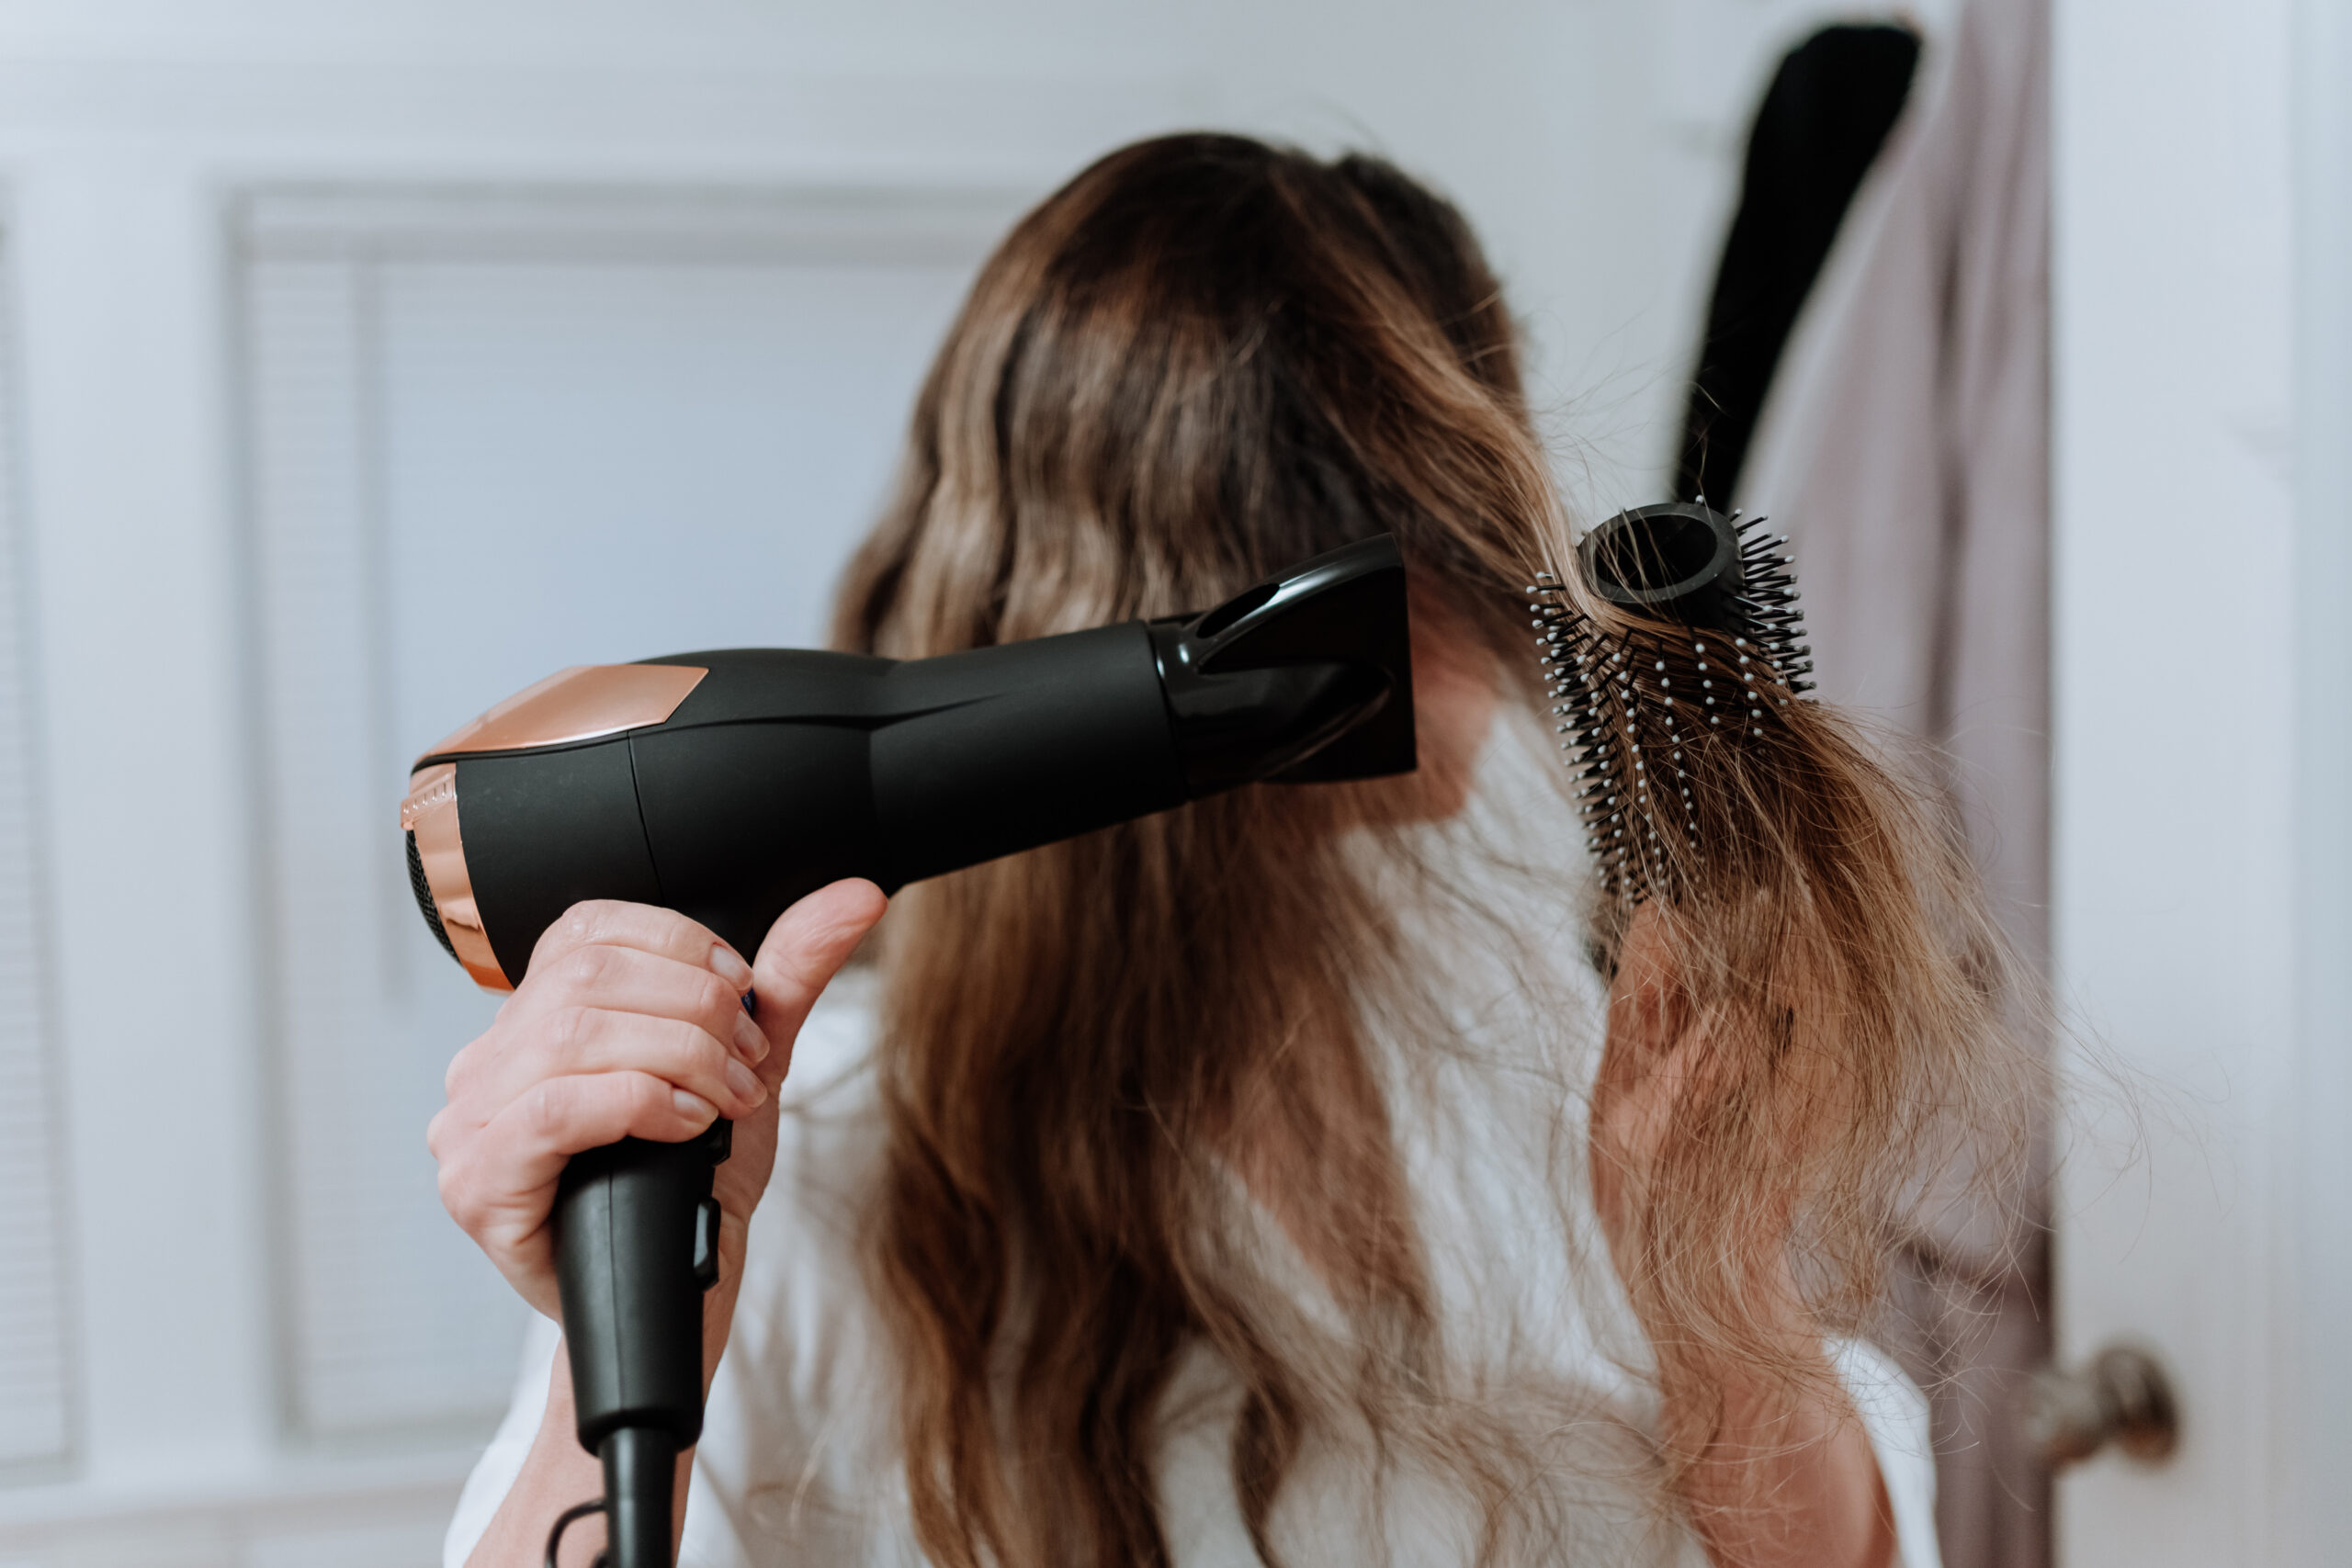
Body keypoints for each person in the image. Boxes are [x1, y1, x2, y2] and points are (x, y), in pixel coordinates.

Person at [434, 134, 2030, 1568]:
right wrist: (617, 1364)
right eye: (1444, 533)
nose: (1493, 622)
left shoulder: (1574, 1051)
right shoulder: (799, 1156)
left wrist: (1716, 1296)